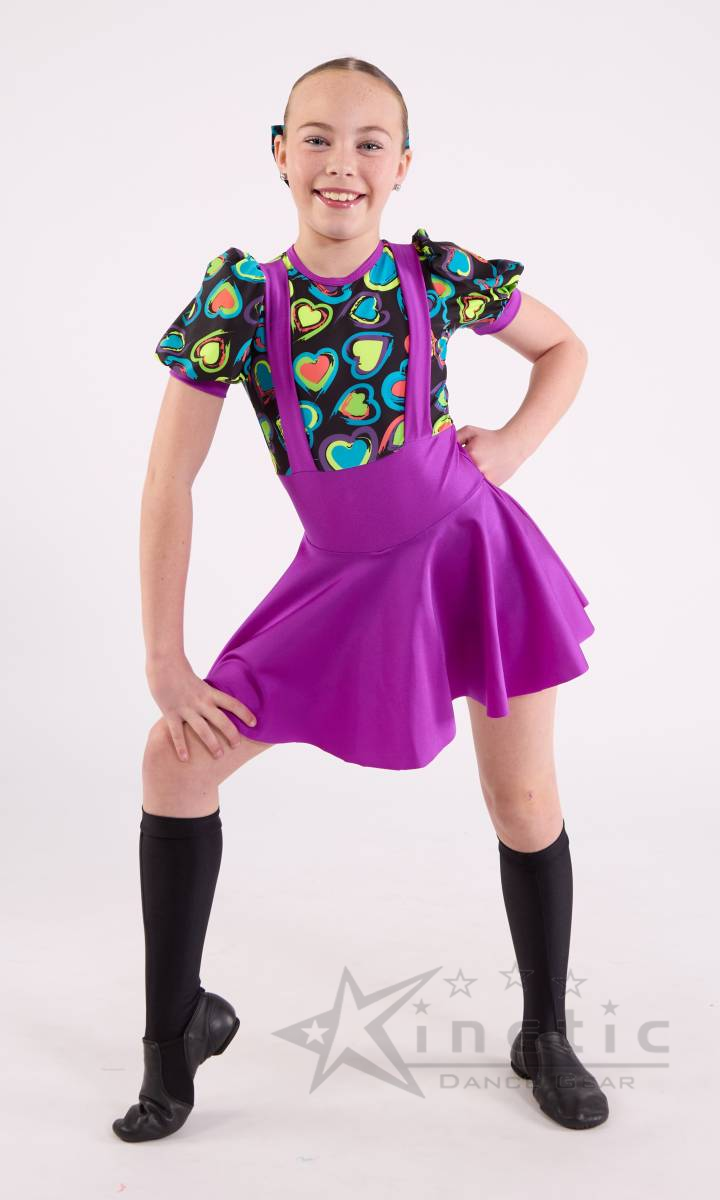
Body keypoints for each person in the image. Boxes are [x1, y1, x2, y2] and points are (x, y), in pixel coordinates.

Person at [112, 56, 608, 1142]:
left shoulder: (435, 276)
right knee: (173, 761)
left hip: (475, 559)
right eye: (318, 138)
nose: (343, 163)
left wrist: (511, 447)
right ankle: (175, 1033)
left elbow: (564, 348)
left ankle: (545, 1033)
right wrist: (165, 659)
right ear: (280, 153)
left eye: (370, 142)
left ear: (402, 166)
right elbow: (168, 483)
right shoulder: (241, 303)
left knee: (524, 800)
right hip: (339, 580)